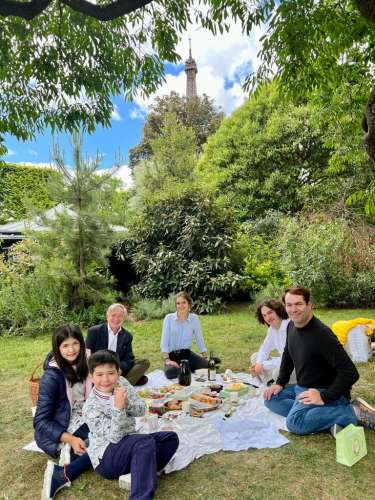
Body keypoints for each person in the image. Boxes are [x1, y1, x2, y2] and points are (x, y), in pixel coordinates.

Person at [263, 286, 375, 435]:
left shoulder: (322, 335)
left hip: (327, 391)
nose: (293, 309)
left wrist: (323, 397)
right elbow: (287, 353)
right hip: (302, 388)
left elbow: (351, 373)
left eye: (299, 304)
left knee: (295, 422)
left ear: (309, 305)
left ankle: (352, 412)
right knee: (270, 398)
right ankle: (322, 417)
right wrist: (280, 382)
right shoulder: (291, 325)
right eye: (289, 305)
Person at [83, 350, 179, 500]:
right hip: (106, 458)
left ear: (118, 372)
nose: (106, 379)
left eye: (111, 373)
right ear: (91, 376)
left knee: (170, 438)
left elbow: (141, 409)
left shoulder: (122, 383)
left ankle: (141, 471)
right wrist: (118, 408)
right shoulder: (90, 407)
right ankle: (140, 495)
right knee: (144, 442)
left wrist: (126, 403)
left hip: (130, 443)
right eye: (99, 375)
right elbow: (114, 437)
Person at [34, 324, 92, 500]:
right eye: (65, 345)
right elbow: (40, 422)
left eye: (75, 343)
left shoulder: (89, 361)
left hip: (86, 413)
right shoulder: (51, 377)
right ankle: (71, 448)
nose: (71, 349)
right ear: (57, 348)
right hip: (61, 426)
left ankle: (62, 472)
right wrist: (72, 439)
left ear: (81, 344)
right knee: (108, 438)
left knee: (114, 431)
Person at [86, 303, 150, 385]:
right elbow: (87, 356)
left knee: (144, 362)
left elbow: (129, 358)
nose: (116, 318)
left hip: (117, 369)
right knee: (142, 379)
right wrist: (101, 370)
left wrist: (118, 368)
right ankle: (125, 383)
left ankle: (120, 384)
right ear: (107, 316)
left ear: (124, 318)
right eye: (113, 315)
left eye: (120, 316)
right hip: (99, 370)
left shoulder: (127, 336)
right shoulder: (94, 331)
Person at [161, 291, 215, 379]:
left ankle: (187, 367)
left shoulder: (194, 319)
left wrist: (205, 356)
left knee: (210, 367)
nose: (180, 306)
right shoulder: (169, 318)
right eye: (178, 303)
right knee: (170, 373)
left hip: (187, 354)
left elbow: (199, 338)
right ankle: (186, 368)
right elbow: (164, 341)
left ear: (189, 304)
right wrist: (167, 360)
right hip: (172, 356)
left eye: (183, 302)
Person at [249, 299, 296, 385]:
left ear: (278, 310)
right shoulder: (272, 329)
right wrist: (258, 364)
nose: (268, 318)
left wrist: (263, 365)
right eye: (264, 315)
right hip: (283, 362)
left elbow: (288, 359)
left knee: (277, 372)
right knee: (255, 357)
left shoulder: (290, 326)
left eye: (270, 312)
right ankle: (271, 382)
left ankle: (273, 382)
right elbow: (264, 348)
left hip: (295, 366)